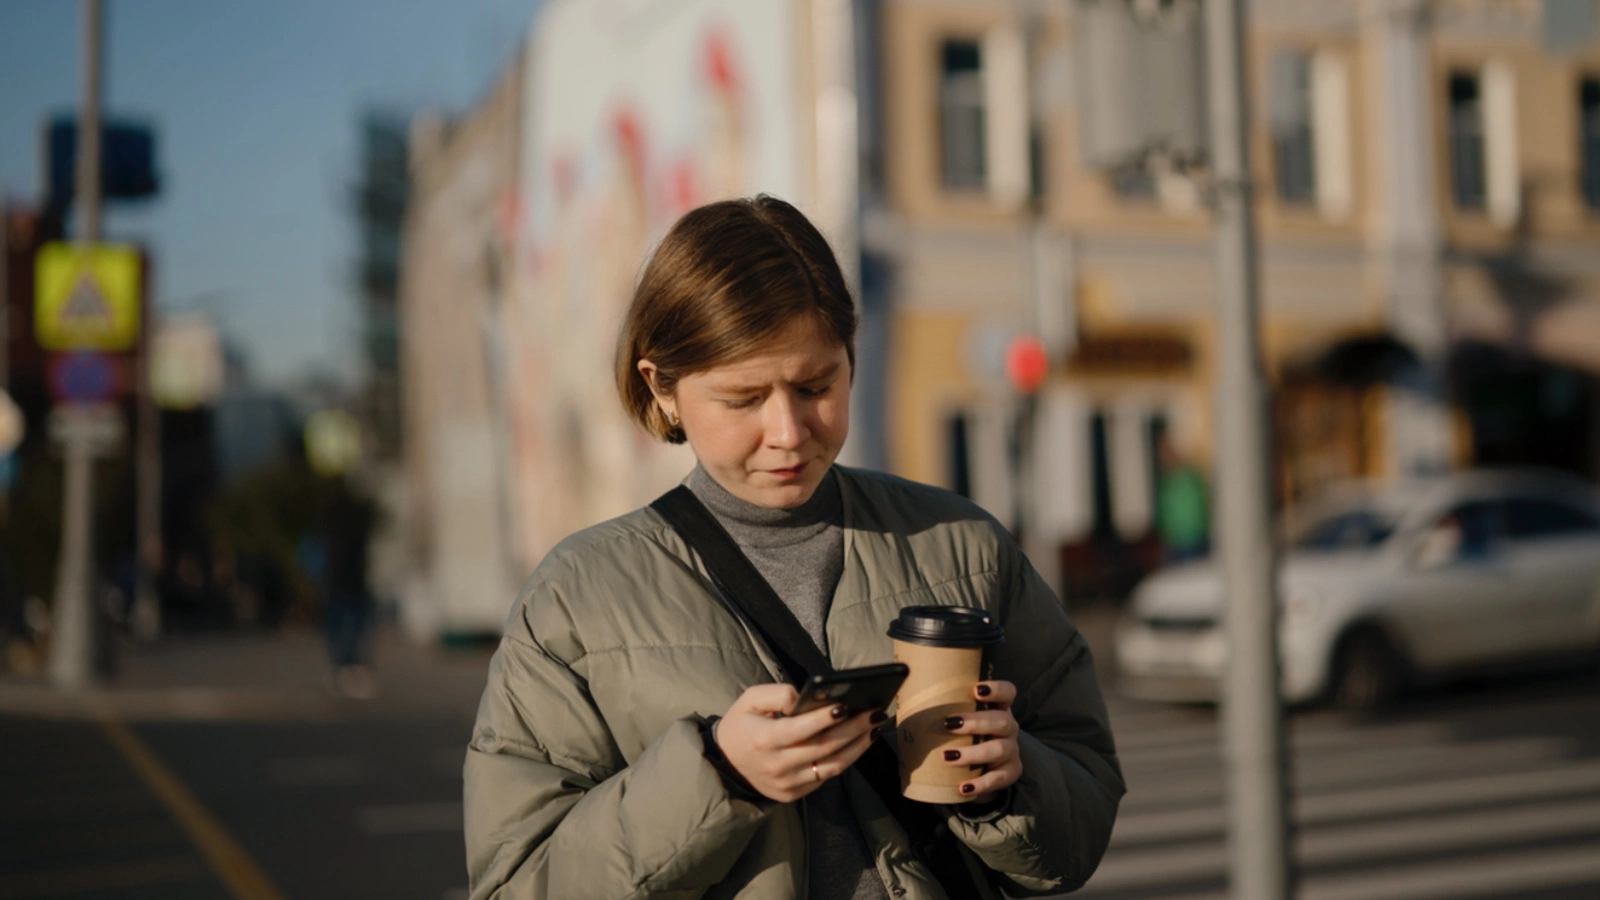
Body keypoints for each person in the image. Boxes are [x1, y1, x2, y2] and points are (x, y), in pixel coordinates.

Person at [464, 196, 1123, 899]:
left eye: (816, 386)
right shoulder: (576, 598)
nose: (788, 430)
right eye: (744, 399)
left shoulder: (961, 546)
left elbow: (1082, 804)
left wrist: (1006, 783)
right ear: (662, 389)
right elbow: (516, 883)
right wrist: (717, 776)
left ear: (851, 357)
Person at [1156, 436, 1210, 564]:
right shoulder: (1167, 482)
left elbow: (1194, 509)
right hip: (1174, 541)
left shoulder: (1189, 479)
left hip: (1192, 538)